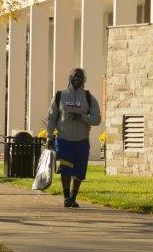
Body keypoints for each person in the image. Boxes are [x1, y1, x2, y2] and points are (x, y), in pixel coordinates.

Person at [46, 68, 101, 208]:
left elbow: (97, 120)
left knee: (80, 172)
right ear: (69, 78)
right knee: (66, 168)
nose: (77, 79)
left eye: (80, 77)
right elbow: (52, 118)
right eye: (74, 76)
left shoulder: (89, 97)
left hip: (82, 141)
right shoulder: (59, 96)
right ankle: (66, 197)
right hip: (64, 139)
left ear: (84, 80)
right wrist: (49, 137)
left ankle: (73, 197)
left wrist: (82, 117)